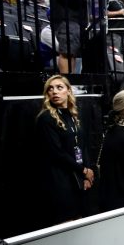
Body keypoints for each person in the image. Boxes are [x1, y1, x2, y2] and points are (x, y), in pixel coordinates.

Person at [36, 75, 94, 225]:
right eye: (50, 89)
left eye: (59, 87)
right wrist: (83, 171)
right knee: (66, 221)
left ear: (68, 90)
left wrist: (86, 174)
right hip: (59, 179)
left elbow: (82, 144)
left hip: (77, 175)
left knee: (81, 219)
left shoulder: (74, 115)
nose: (54, 92)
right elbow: (57, 152)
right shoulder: (46, 118)